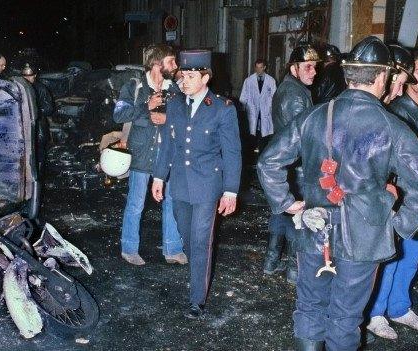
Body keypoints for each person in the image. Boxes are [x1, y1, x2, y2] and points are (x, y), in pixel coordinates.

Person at [257, 36, 418, 351]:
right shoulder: (392, 126)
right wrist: (397, 228)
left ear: (348, 74)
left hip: (316, 228)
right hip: (364, 238)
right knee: (345, 317)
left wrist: (288, 204)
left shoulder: (315, 115)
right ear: (382, 77)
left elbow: (267, 162)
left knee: (311, 307)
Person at [151, 49, 241, 319]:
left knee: (201, 241)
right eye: (182, 75)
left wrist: (231, 190)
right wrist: (158, 176)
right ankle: (199, 267)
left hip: (207, 185)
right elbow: (168, 143)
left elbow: (233, 152)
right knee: (187, 236)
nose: (184, 81)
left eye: (190, 76)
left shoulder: (223, 109)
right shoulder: (176, 104)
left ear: (205, 77)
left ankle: (196, 300)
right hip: (179, 183)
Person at [367, 47, 418, 339]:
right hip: (398, 193)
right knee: (390, 254)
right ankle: (376, 312)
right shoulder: (394, 109)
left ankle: (399, 307)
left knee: (413, 252)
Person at [112, 44, 186, 265]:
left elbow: (186, 119)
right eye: (171, 61)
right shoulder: (134, 86)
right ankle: (129, 248)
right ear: (157, 64)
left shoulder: (175, 90)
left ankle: (172, 249)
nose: (175, 66)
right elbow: (119, 114)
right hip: (142, 154)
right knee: (136, 203)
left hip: (168, 154)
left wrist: (167, 119)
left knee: (172, 201)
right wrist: (146, 106)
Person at [263, 44, 319, 284]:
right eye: (308, 67)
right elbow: (302, 138)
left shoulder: (290, 88)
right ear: (294, 68)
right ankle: (295, 271)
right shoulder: (295, 95)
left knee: (281, 212)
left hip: (286, 164)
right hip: (297, 165)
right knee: (298, 216)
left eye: (315, 67)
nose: (314, 71)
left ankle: (271, 260)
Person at [239, 58, 276, 153]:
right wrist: (246, 106)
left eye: (260, 67)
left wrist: (270, 106)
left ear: (264, 67)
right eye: (256, 67)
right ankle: (253, 151)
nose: (258, 70)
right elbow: (243, 96)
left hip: (266, 110)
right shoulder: (248, 80)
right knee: (253, 131)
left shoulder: (271, 80)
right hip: (253, 109)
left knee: (264, 132)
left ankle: (263, 150)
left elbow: (274, 96)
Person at [22, 63, 53, 174]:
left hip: (38, 128)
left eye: (29, 75)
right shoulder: (21, 89)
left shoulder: (41, 88)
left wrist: (35, 111)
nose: (27, 78)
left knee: (39, 155)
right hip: (25, 127)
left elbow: (49, 108)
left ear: (35, 75)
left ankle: (39, 178)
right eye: (25, 76)